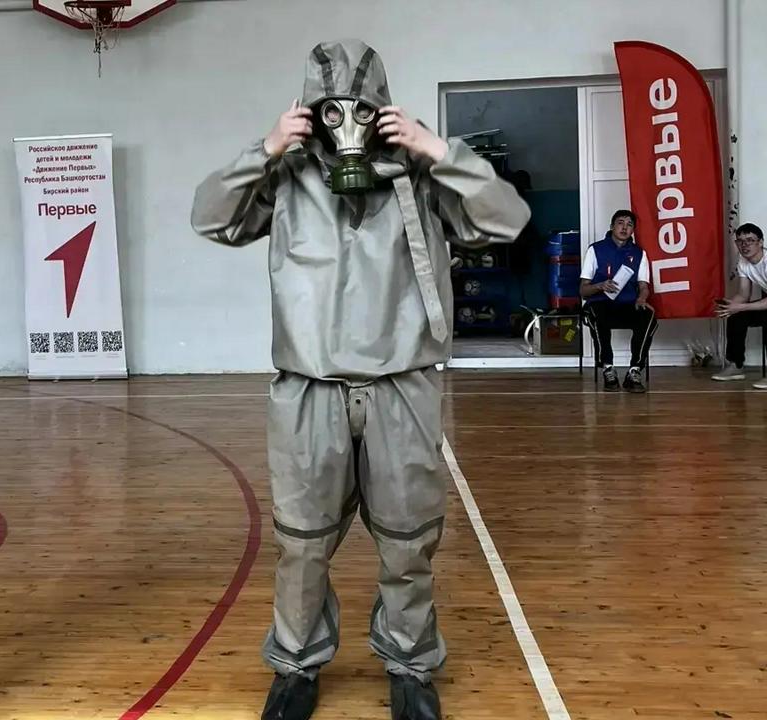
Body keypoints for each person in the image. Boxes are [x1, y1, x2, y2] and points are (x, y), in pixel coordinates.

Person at [190, 40, 530, 720]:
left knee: (409, 541)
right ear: (311, 112)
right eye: (331, 109)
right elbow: (211, 216)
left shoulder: (421, 176)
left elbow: (507, 219)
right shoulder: (287, 176)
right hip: (308, 386)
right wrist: (266, 148)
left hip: (402, 384)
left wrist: (439, 150)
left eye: (361, 109)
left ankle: (410, 665)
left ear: (383, 110)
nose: (347, 121)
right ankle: (295, 666)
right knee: (302, 544)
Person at [579, 210, 657, 393]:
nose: (624, 228)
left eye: (629, 225)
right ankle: (608, 367)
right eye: (620, 223)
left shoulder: (639, 253)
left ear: (633, 230)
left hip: (628, 304)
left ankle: (634, 370)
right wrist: (600, 286)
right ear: (612, 226)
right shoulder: (595, 249)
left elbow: (644, 286)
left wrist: (642, 298)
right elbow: (583, 291)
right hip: (600, 302)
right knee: (597, 314)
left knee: (649, 316)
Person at [712, 223, 767, 389]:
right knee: (736, 316)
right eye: (740, 241)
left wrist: (741, 307)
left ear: (761, 242)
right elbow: (744, 295)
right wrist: (730, 307)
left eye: (750, 240)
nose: (745, 245)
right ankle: (736, 366)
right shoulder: (743, 262)